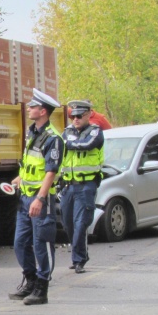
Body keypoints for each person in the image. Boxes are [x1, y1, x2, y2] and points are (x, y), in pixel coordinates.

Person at [8, 88, 64, 305]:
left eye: (32, 106)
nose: (29, 109)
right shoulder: (33, 132)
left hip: (41, 199)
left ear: (43, 111)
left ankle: (42, 288)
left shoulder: (53, 138)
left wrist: (40, 199)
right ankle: (30, 281)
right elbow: (31, 164)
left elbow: (51, 171)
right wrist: (19, 179)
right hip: (25, 197)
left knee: (43, 243)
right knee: (20, 243)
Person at [60, 100, 105, 274]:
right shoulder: (67, 131)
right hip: (68, 186)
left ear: (88, 115)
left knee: (80, 224)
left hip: (87, 185)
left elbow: (86, 144)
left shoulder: (95, 132)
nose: (75, 119)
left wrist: (69, 144)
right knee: (67, 224)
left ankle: (79, 260)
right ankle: (80, 253)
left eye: (79, 116)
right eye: (73, 116)